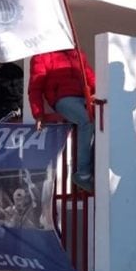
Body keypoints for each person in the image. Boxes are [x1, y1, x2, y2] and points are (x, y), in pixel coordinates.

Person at [28, 49, 96, 193]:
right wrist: (38, 113)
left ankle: (95, 167)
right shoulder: (41, 56)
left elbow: (90, 77)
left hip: (84, 97)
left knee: (103, 122)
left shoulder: (77, 54)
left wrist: (97, 92)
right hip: (63, 99)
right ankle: (83, 174)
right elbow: (35, 87)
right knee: (86, 121)